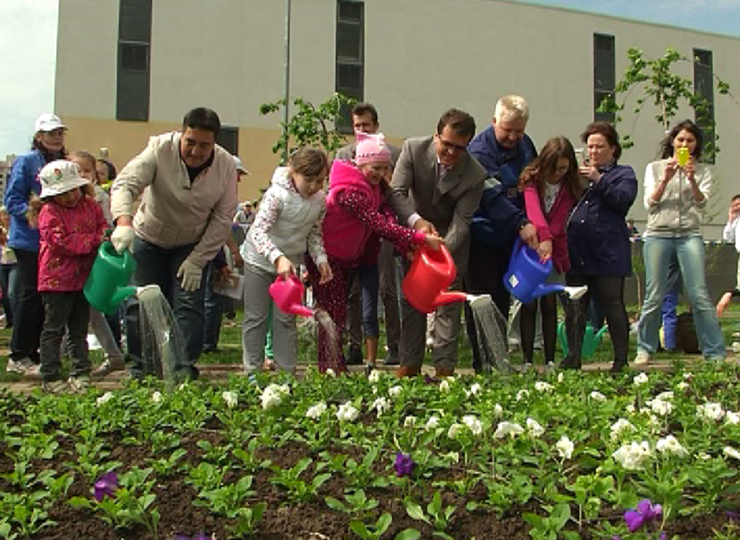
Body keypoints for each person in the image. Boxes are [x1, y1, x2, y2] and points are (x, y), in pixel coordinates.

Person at [110, 107, 238, 381]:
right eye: (190, 142)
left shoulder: (226, 166)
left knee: (189, 305)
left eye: (205, 145)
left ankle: (182, 367)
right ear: (182, 134)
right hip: (149, 237)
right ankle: (141, 368)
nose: (196, 151)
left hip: (191, 244)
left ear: (215, 143)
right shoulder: (159, 149)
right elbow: (125, 184)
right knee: (140, 302)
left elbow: (223, 216)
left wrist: (198, 259)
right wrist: (123, 222)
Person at [310, 132, 442, 373]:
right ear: (360, 162)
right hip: (326, 259)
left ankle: (332, 366)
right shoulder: (348, 192)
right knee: (332, 314)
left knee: (337, 313)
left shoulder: (374, 187)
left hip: (347, 258)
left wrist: (406, 245)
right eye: (376, 167)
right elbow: (378, 224)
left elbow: (388, 215)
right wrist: (420, 238)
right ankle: (329, 367)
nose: (380, 173)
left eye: (385, 168)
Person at [388, 109, 486, 378]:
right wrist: (417, 226)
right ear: (436, 136)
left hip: (447, 248)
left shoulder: (475, 174)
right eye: (447, 144)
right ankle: (409, 365)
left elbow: (462, 221)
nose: (452, 152)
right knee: (411, 303)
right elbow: (396, 192)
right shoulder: (413, 149)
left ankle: (444, 369)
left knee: (447, 308)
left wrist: (440, 250)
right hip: (412, 235)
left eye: (459, 148)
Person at [634, 119, 726, 364]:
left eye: (690, 140)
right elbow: (649, 204)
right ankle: (645, 347)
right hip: (658, 233)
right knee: (655, 293)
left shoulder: (704, 170)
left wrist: (692, 178)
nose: (684, 144)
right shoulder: (655, 168)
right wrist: (666, 178)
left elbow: (702, 203)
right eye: (681, 139)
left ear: (696, 145)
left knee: (698, 293)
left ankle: (715, 351)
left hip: (689, 234)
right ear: (673, 141)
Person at [241, 148, 332, 375]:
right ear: (293, 173)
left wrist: (321, 259)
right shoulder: (276, 195)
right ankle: (252, 372)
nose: (314, 186)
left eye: (320, 181)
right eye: (308, 180)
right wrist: (277, 257)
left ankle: (287, 374)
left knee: (286, 318)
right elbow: (258, 232)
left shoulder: (320, 201)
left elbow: (314, 233)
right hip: (259, 261)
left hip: (289, 265)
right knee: (256, 317)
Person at [465, 95, 539, 371]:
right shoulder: (479, 151)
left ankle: (499, 358)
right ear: (494, 121)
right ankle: (481, 360)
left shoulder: (526, 146)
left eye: (519, 131)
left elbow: (533, 182)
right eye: (507, 130)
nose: (513, 136)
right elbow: (493, 197)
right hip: (482, 234)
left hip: (511, 238)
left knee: (502, 296)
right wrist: (521, 223)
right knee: (481, 300)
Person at [562, 121, 638, 372]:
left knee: (611, 303)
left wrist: (599, 179)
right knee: (576, 304)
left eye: (599, 147)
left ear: (613, 149)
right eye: (590, 147)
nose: (593, 152)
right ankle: (573, 356)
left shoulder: (623, 174)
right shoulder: (578, 176)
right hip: (578, 250)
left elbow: (622, 200)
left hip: (608, 252)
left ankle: (620, 359)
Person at [335, 102, 403, 367]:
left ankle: (394, 345)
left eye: (366, 125)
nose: (361, 129)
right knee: (352, 292)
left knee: (386, 288)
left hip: (381, 232)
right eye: (357, 126)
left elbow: (393, 194)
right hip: (352, 233)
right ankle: (354, 345)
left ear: (376, 126)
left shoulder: (392, 154)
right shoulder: (343, 154)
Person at [32, 160, 107, 393]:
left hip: (83, 279)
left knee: (78, 329)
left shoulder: (90, 206)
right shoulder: (49, 212)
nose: (70, 197)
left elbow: (102, 227)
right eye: (62, 193)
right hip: (56, 281)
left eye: (73, 190)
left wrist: (103, 236)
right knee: (54, 329)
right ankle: (51, 375)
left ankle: (80, 372)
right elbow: (61, 242)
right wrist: (95, 241)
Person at [3, 113, 68, 376]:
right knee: (32, 294)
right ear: (39, 137)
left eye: (59, 132)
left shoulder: (64, 162)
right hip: (29, 240)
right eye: (51, 133)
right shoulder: (27, 162)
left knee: (46, 296)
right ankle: (18, 354)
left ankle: (34, 351)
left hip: (53, 241)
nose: (56, 137)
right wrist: (38, 216)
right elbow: (12, 199)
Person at [518, 136, 581, 367]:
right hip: (530, 249)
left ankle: (550, 359)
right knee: (529, 302)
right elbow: (533, 211)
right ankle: (526, 359)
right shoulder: (531, 180)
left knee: (549, 303)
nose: (558, 174)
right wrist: (543, 239)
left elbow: (560, 217)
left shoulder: (570, 186)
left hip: (555, 250)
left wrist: (549, 240)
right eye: (554, 169)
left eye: (563, 168)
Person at [0, 207, 17, 329]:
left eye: (7, 214)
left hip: (15, 263)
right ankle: (10, 321)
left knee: (12, 292)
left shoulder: (16, 230)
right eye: (3, 214)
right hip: (2, 263)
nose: (6, 217)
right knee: (5, 294)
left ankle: (17, 319)